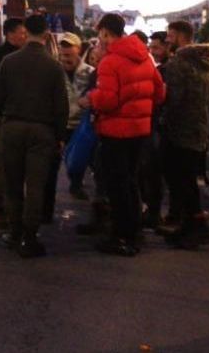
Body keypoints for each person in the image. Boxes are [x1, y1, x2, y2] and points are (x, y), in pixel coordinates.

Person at [87, 13, 165, 256]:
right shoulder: (144, 56)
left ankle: (122, 235)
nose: (101, 41)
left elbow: (108, 100)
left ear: (107, 33)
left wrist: (90, 98)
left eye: (102, 36)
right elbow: (160, 92)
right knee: (131, 181)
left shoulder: (110, 62)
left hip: (116, 130)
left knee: (117, 185)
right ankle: (134, 231)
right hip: (140, 130)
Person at [0, 15, 69, 258]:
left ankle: (14, 232)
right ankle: (30, 237)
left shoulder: (10, 61)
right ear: (46, 34)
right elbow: (61, 106)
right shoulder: (54, 66)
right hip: (42, 130)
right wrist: (60, 135)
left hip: (12, 127)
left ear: (26, 32)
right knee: (35, 185)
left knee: (13, 183)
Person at [159, 42, 209, 249]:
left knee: (180, 178)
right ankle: (193, 223)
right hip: (199, 128)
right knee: (188, 179)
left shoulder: (178, 65)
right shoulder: (205, 67)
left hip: (180, 128)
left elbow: (174, 98)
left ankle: (193, 227)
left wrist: (164, 118)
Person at [0, 17, 29, 227]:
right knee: (1, 162)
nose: (24, 36)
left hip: (11, 115)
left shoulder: (17, 55)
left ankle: (7, 205)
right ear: (10, 34)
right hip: (1, 115)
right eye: (21, 32)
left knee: (12, 162)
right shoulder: (3, 56)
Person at [57, 33, 95, 200]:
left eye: (69, 53)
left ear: (78, 50)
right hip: (60, 123)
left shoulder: (90, 72)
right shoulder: (55, 71)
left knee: (80, 159)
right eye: (63, 53)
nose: (66, 57)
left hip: (81, 125)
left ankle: (76, 185)